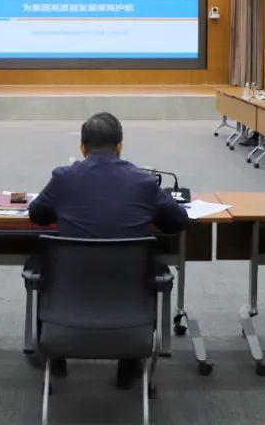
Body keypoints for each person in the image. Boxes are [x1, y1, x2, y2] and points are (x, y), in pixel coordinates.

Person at [29, 112, 189, 389]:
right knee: (150, 269)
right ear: (120, 146)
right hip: (128, 287)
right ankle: (130, 362)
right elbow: (177, 222)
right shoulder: (144, 182)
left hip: (73, 282)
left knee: (40, 265)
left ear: (82, 147)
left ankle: (56, 356)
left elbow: (37, 215)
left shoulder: (63, 178)